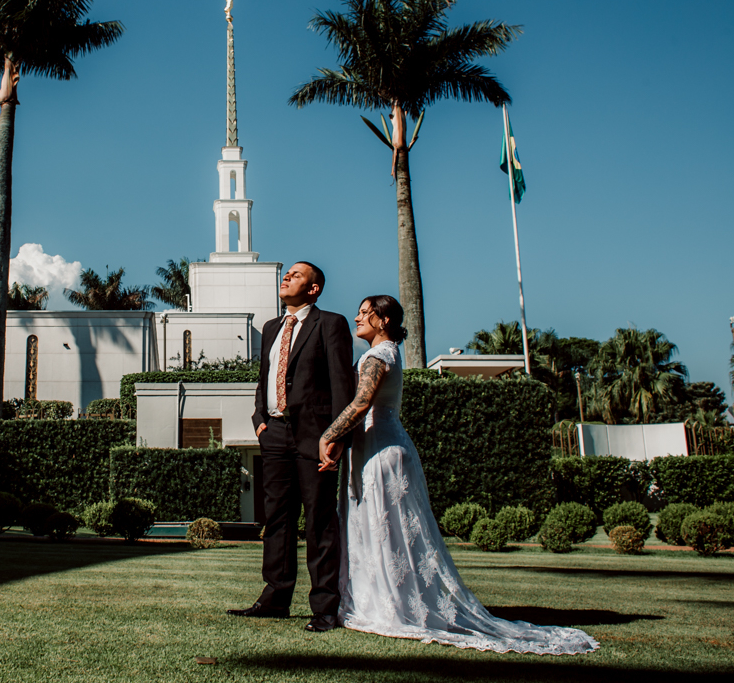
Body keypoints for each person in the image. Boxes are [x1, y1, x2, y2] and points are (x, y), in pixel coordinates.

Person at [317, 295, 599, 654]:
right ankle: (383, 600)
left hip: (380, 449)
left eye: (364, 313)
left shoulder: (377, 356)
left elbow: (361, 403)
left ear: (384, 319)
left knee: (385, 528)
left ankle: (389, 606)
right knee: (383, 529)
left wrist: (329, 435)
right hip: (375, 445)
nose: (357, 317)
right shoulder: (385, 354)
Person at [227, 262, 356, 633]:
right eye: (287, 275)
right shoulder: (271, 328)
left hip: (315, 437)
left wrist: (335, 436)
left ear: (314, 289)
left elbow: (341, 385)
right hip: (275, 435)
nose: (287, 278)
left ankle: (325, 608)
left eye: (296, 275)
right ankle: (275, 597)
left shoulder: (330, 324)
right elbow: (265, 378)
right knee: (277, 519)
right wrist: (260, 421)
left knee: (319, 522)